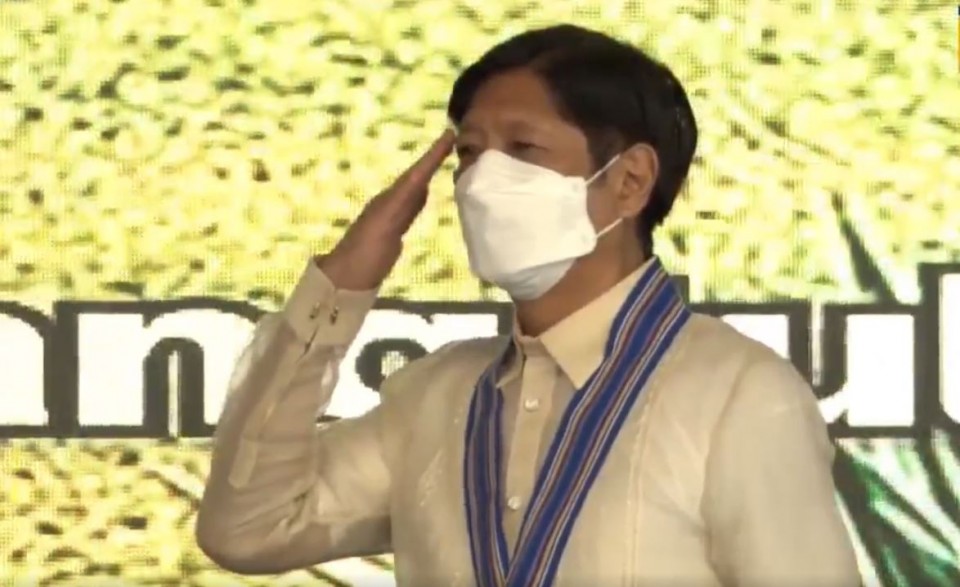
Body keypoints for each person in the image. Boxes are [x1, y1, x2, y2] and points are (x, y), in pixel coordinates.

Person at [196, 24, 861, 587]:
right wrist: (339, 287)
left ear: (630, 180)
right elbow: (248, 529)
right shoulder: (434, 397)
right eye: (469, 153)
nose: (482, 182)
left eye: (523, 148)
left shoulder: (739, 394)